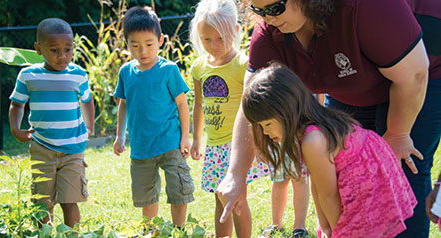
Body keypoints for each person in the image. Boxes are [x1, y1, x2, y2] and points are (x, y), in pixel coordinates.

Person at [217, 0, 441, 237]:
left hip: (419, 74)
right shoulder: (270, 33)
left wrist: (397, 134)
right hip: (352, 84)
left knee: (401, 171)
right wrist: (236, 175)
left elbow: (414, 73)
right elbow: (252, 103)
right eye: (259, 11)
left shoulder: (365, 7)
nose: (269, 19)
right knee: (347, 175)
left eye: (274, 9)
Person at [244, 63, 417, 237]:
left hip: (366, 183)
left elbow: (329, 195)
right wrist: (325, 227)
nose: (265, 132)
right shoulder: (309, 131)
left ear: (287, 111)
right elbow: (318, 187)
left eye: (267, 124)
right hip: (363, 177)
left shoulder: (313, 140)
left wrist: (338, 232)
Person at [188, 0, 269, 237]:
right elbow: (199, 105)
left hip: (236, 145)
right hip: (213, 146)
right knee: (219, 199)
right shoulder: (198, 67)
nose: (214, 45)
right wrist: (195, 139)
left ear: (235, 31)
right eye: (207, 39)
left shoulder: (243, 65)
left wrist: (260, 139)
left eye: (220, 38)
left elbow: (254, 107)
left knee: (237, 200)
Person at [112, 6, 195, 229]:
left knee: (178, 188)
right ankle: (150, 230)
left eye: (149, 44)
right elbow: (123, 105)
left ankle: (179, 230)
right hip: (141, 147)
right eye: (135, 46)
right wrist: (119, 136)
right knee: (146, 194)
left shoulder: (168, 70)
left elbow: (182, 104)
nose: (143, 51)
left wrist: (185, 137)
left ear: (161, 40)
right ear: (126, 44)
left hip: (170, 143)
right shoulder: (126, 72)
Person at [8, 18, 95, 228]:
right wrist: (15, 128)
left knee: (70, 199)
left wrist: (90, 126)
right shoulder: (28, 75)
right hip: (42, 147)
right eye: (54, 50)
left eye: (67, 49)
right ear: (38, 48)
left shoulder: (78, 75)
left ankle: (72, 234)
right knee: (41, 201)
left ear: (73, 47)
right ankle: (44, 233)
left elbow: (87, 100)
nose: (62, 56)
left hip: (72, 149)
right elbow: (17, 104)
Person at [260, 155, 309, 238]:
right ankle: (276, 224)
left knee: (299, 180)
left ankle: (299, 226)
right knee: (278, 180)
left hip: (297, 145)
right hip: (277, 145)